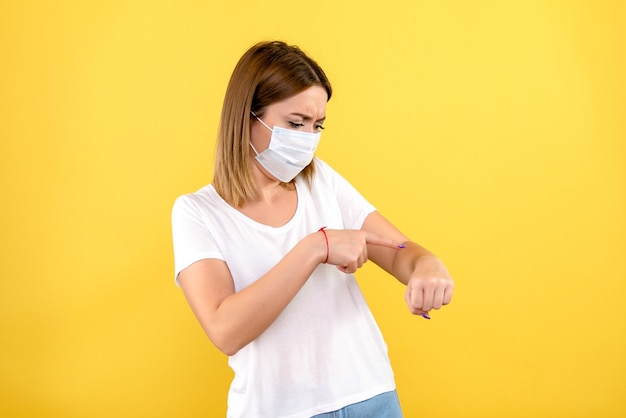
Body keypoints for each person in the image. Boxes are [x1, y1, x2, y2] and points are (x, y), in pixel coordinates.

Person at [171, 40, 454, 418]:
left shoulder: (321, 180)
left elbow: (400, 250)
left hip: (371, 397)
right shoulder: (198, 212)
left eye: (317, 125)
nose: (307, 138)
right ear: (247, 116)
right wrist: (315, 247)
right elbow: (225, 331)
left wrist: (427, 265)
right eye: (294, 123)